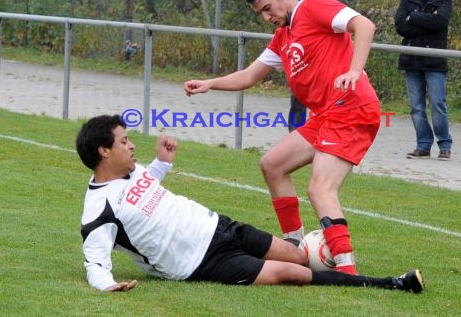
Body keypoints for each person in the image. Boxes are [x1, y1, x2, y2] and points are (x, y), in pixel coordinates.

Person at [75, 114, 424, 293]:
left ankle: (338, 271)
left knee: (299, 254)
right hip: (200, 263)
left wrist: (163, 162)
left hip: (220, 226)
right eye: (124, 141)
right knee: (294, 274)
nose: (132, 145)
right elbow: (95, 260)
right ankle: (389, 283)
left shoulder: (133, 172)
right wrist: (107, 285)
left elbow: (148, 184)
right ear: (104, 151)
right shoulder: (98, 211)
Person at [184, 0, 380, 276]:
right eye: (260, 14)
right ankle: (294, 247)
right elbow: (249, 76)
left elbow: (364, 25)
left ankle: (346, 268)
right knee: (272, 164)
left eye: (267, 8)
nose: (266, 17)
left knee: (320, 189)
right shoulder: (283, 38)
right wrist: (211, 83)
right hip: (327, 114)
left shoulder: (314, 5)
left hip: (351, 107)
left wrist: (355, 70)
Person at [394, 0, 453, 161]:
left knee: (437, 104)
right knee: (417, 106)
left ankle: (445, 145)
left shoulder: (444, 0)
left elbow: (441, 22)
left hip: (435, 61)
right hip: (412, 60)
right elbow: (401, 27)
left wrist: (415, 17)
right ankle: (423, 145)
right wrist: (427, 20)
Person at [287, 0, 348, 132]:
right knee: (297, 97)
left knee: (322, 98)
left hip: (323, 55)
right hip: (299, 53)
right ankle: (294, 135)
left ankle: (324, 134)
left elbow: (346, 21)